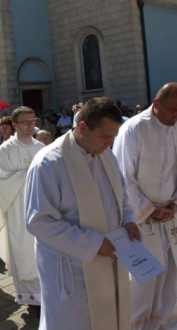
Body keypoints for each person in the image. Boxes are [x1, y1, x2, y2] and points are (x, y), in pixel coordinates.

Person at [25, 97, 139, 330]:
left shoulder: (106, 154)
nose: (110, 143)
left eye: (113, 137)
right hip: (72, 269)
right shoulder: (48, 163)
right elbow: (38, 222)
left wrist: (129, 221)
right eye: (105, 136)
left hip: (111, 261)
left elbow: (121, 196)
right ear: (83, 127)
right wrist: (93, 243)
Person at [113, 83, 177, 329]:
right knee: (142, 280)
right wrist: (150, 209)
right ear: (156, 104)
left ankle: (164, 323)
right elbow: (123, 175)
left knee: (168, 274)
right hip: (143, 217)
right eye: (172, 110)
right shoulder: (135, 128)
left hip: (168, 215)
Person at [0, 107, 45, 306]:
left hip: (40, 208)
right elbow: (0, 180)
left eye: (33, 121)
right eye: (26, 122)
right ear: (14, 125)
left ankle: (44, 296)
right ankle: (31, 300)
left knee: (41, 251)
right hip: (18, 209)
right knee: (24, 251)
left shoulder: (40, 147)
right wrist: (29, 173)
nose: (31, 125)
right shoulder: (6, 149)